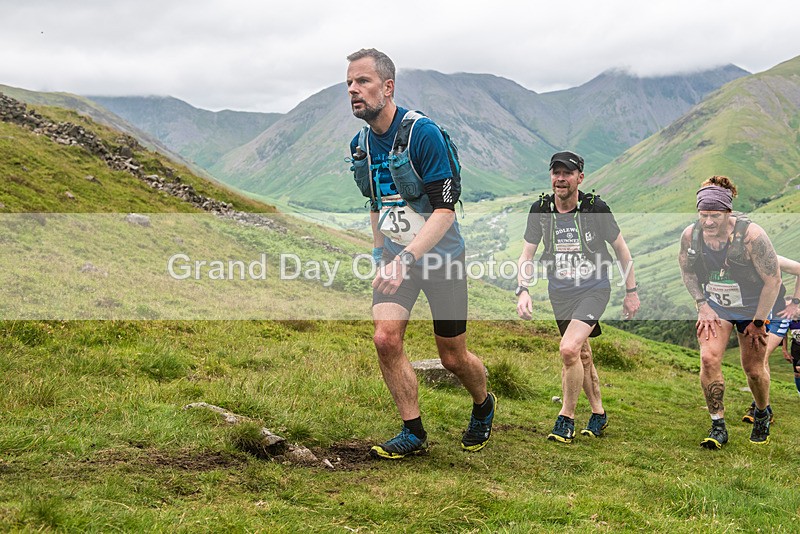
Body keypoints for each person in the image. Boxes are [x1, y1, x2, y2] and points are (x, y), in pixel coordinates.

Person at [346, 48, 495, 459]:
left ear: (388, 87)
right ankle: (413, 432)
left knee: (452, 357)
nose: (354, 90)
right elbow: (376, 204)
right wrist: (381, 255)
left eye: (363, 81)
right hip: (397, 259)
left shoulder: (423, 134)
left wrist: (405, 259)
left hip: (442, 260)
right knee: (385, 338)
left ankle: (483, 404)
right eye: (349, 83)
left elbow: (445, 211)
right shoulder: (361, 143)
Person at [516, 150, 640, 443]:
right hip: (560, 293)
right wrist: (523, 289)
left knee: (569, 349)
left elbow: (621, 250)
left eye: (567, 173)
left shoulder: (596, 209)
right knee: (581, 354)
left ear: (579, 178)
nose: (561, 178)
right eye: (556, 172)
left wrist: (631, 291)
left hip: (593, 289)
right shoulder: (541, 209)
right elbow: (526, 254)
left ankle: (566, 418)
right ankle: (598, 412)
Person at [678, 176, 782, 449]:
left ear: (728, 212)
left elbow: (773, 280)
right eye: (703, 215)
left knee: (754, 370)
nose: (708, 222)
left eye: (715, 215)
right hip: (717, 305)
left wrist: (759, 321)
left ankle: (762, 412)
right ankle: (718, 426)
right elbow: (687, 271)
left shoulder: (751, 236)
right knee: (708, 358)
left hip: (752, 307)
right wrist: (702, 304)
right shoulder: (691, 235)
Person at [741, 255, 800, 422]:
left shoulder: (771, 258)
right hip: (755, 318)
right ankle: (763, 407)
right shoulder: (736, 259)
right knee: (756, 362)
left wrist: (795, 303)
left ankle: (761, 409)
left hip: (777, 318)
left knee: (761, 358)